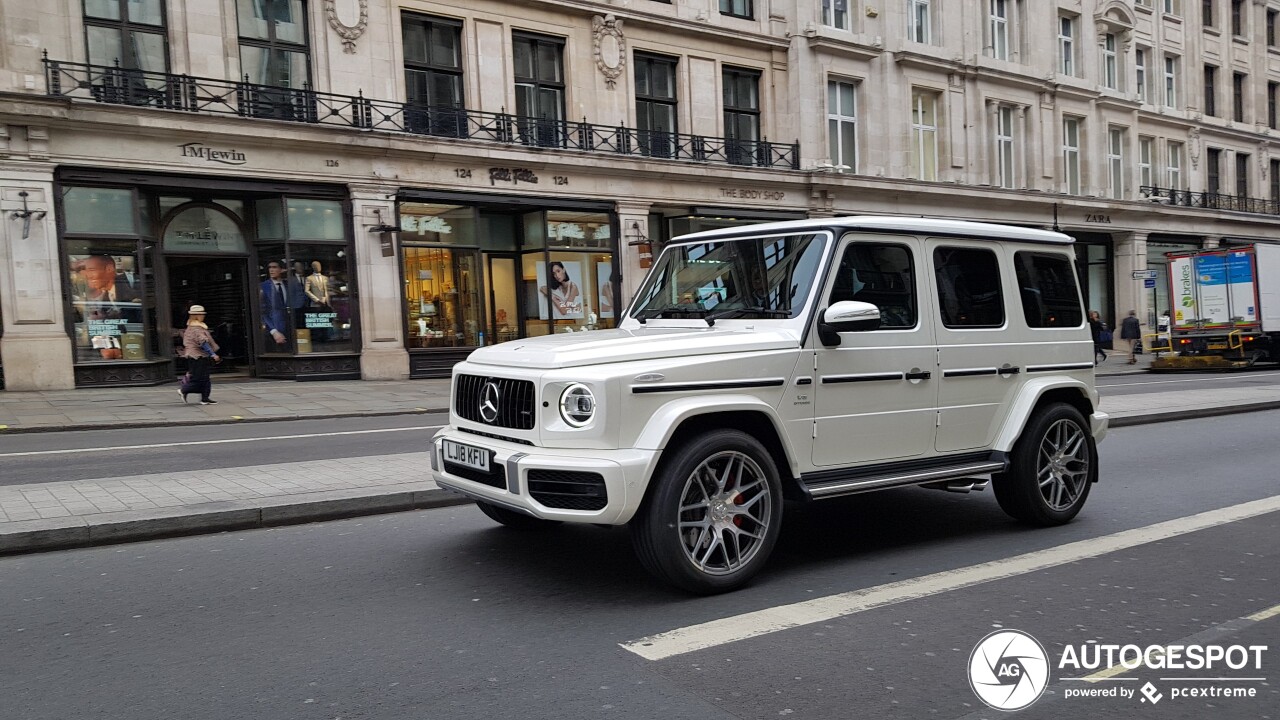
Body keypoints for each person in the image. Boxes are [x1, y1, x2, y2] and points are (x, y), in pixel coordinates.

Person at [180, 304, 221, 405]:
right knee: (199, 379)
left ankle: (205, 398)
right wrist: (213, 354)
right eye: (201, 314)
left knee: (205, 379)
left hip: (197, 356)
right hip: (197, 357)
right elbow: (203, 342)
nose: (203, 316)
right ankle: (184, 390)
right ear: (196, 315)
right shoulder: (196, 328)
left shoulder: (192, 326)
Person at [259, 260, 290, 350]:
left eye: (274, 267)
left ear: (281, 270)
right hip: (272, 332)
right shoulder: (263, 286)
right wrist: (273, 331)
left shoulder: (287, 285)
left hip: (289, 330)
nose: (271, 270)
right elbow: (262, 312)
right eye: (269, 268)